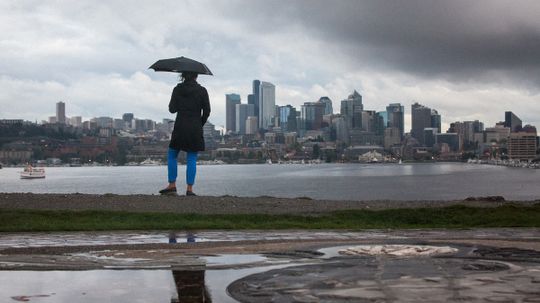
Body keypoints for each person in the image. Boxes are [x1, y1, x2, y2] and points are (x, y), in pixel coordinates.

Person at [159, 71, 210, 196]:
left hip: (180, 126)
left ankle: (172, 185)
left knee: (172, 154)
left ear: (182, 75)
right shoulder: (202, 90)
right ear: (196, 75)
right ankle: (190, 189)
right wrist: (199, 123)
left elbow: (172, 109)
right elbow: (207, 111)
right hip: (195, 127)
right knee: (191, 157)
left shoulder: (177, 89)